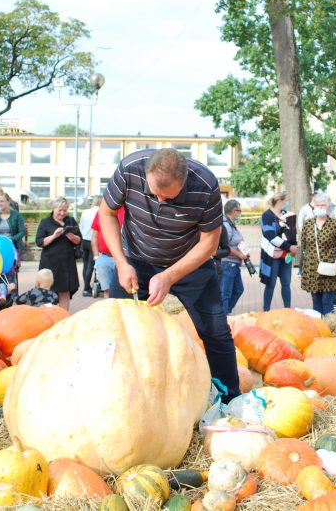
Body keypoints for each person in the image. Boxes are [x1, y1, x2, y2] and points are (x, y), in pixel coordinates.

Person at [97, 147, 240, 403]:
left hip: (189, 262)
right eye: (154, 194)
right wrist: (120, 262)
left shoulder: (205, 185)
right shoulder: (130, 168)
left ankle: (230, 400)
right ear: (147, 174)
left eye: (169, 198)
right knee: (115, 330)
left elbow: (209, 242)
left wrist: (170, 276)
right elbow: (106, 212)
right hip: (135, 260)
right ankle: (112, 395)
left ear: (184, 182)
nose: (160, 202)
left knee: (216, 331)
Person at [300, 193, 336, 315]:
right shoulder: (308, 224)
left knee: (327, 301)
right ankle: (318, 327)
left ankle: (328, 328)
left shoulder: (334, 225)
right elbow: (303, 244)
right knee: (316, 301)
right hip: (312, 269)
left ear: (328, 206)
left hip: (328, 269)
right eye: (317, 205)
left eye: (323, 205)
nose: (320, 207)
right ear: (313, 207)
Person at [35, 197, 82, 311]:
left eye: (65, 210)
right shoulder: (45, 222)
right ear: (53, 209)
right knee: (47, 290)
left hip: (67, 262)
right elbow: (39, 242)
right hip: (50, 262)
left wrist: (72, 237)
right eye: (59, 210)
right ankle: (49, 316)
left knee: (65, 291)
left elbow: (79, 240)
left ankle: (63, 317)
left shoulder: (71, 221)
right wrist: (54, 236)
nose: (62, 213)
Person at [260, 192, 298, 311]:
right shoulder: (267, 216)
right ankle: (266, 311)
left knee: (286, 284)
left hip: (286, 256)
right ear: (280, 201)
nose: (286, 203)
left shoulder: (287, 215)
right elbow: (270, 235)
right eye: (285, 201)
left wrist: (294, 246)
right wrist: (289, 247)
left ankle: (288, 310)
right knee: (270, 284)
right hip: (272, 256)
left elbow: (293, 232)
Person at [219, 200, 249, 314]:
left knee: (238, 289)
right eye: (239, 210)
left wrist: (244, 252)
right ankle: (224, 318)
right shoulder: (226, 225)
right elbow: (224, 246)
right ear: (233, 211)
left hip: (234, 264)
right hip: (228, 263)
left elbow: (235, 242)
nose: (240, 213)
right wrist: (239, 254)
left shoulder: (231, 224)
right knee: (225, 293)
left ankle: (226, 313)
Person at [90, 205, 125, 299]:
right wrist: (96, 257)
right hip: (104, 257)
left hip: (123, 258)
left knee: (123, 290)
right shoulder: (102, 211)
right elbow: (95, 236)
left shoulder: (128, 211)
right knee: (106, 290)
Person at [79, 196, 100, 296]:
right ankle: (88, 288)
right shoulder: (100, 211)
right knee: (92, 265)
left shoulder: (85, 212)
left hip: (84, 240)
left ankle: (86, 286)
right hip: (94, 240)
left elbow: (81, 226)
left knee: (86, 264)